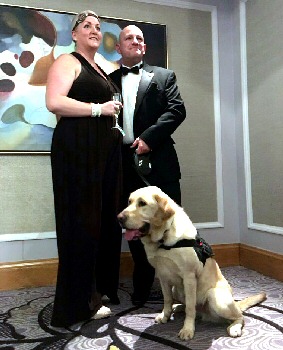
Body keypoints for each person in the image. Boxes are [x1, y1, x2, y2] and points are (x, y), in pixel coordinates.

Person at [45, 10, 123, 329]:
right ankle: (74, 305)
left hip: (102, 151)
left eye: (98, 27)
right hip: (77, 150)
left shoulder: (98, 67)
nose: (93, 30)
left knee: (101, 222)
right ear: (74, 34)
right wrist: (98, 109)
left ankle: (92, 293)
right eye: (87, 26)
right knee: (80, 223)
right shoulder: (67, 61)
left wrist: (111, 123)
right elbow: (54, 102)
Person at [110, 25, 186, 306]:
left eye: (139, 38)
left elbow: (177, 109)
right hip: (124, 164)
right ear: (118, 48)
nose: (135, 41)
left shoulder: (164, 76)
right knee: (133, 227)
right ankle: (142, 286)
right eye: (128, 38)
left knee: (171, 224)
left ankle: (180, 287)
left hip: (161, 163)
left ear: (145, 47)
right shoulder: (107, 81)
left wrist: (149, 139)